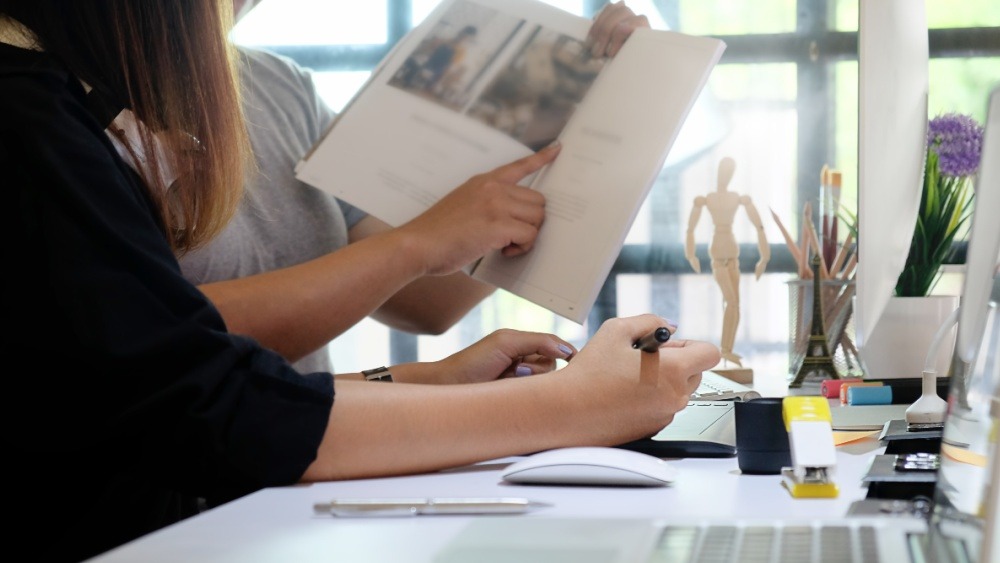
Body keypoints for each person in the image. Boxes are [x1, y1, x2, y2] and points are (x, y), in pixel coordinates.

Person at [1, 2, 718, 561]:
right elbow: (175, 363)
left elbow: (427, 298)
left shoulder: (276, 86)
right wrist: (569, 404)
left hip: (274, 501)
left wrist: (607, 133)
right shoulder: (41, 111)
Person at [181, 0, 653, 374]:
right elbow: (165, 334)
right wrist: (421, 242)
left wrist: (595, 116)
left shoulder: (279, 89)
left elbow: (426, 304)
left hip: (293, 462)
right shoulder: (108, 126)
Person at [684, 157, 770, 366]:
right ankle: (724, 349)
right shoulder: (708, 199)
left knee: (735, 305)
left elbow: (759, 226)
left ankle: (728, 350)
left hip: (732, 255)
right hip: (720, 254)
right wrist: (691, 254)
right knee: (731, 302)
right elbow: (690, 229)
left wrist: (764, 256)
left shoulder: (735, 198)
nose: (726, 176)